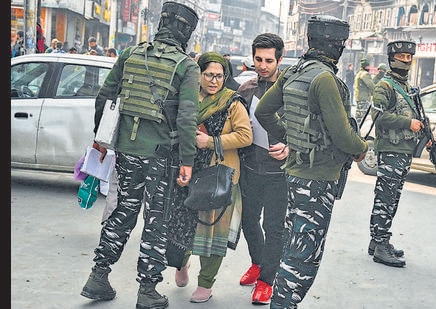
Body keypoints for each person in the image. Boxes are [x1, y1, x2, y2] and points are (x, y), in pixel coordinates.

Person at [80, 3, 200, 309]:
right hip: (162, 157)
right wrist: (187, 161)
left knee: (123, 211)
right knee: (156, 221)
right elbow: (187, 118)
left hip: (128, 152)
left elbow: (105, 96)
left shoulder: (130, 54)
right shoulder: (186, 66)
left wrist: (100, 139)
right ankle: (147, 291)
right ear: (186, 31)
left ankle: (98, 275)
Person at [254, 15, 368, 309]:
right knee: (304, 254)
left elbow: (265, 113)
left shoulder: (294, 72)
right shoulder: (324, 79)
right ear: (335, 45)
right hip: (317, 179)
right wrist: (361, 147)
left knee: (294, 245)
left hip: (294, 174)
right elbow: (343, 135)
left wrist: (291, 138)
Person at [174, 52, 252, 303]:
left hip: (218, 175)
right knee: (183, 223)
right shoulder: (187, 99)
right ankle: (180, 262)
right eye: (209, 74)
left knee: (212, 230)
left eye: (219, 76)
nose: (214, 81)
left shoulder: (232, 103)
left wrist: (212, 141)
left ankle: (205, 283)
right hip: (187, 170)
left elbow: (245, 136)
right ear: (199, 74)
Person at [236, 33, 289, 305]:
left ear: (280, 59)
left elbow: (307, 128)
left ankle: (267, 280)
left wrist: (291, 146)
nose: (263, 65)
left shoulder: (290, 90)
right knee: (248, 221)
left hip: (279, 173)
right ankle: (257, 263)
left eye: (269, 60)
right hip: (249, 167)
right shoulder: (245, 89)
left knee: (274, 227)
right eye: (258, 59)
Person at [367, 40, 429, 268]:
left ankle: (378, 241)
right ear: (391, 58)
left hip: (404, 151)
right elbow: (379, 117)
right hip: (391, 150)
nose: (405, 61)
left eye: (408, 57)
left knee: (393, 199)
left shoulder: (408, 87)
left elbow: (417, 116)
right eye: (401, 56)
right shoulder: (385, 86)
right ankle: (380, 246)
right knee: (385, 199)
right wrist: (407, 123)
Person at [353, 58, 375, 122]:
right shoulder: (365, 74)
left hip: (359, 97)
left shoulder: (359, 73)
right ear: (365, 66)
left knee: (358, 116)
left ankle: (356, 130)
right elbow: (371, 85)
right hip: (364, 98)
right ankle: (358, 130)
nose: (369, 67)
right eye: (368, 66)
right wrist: (376, 93)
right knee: (362, 117)